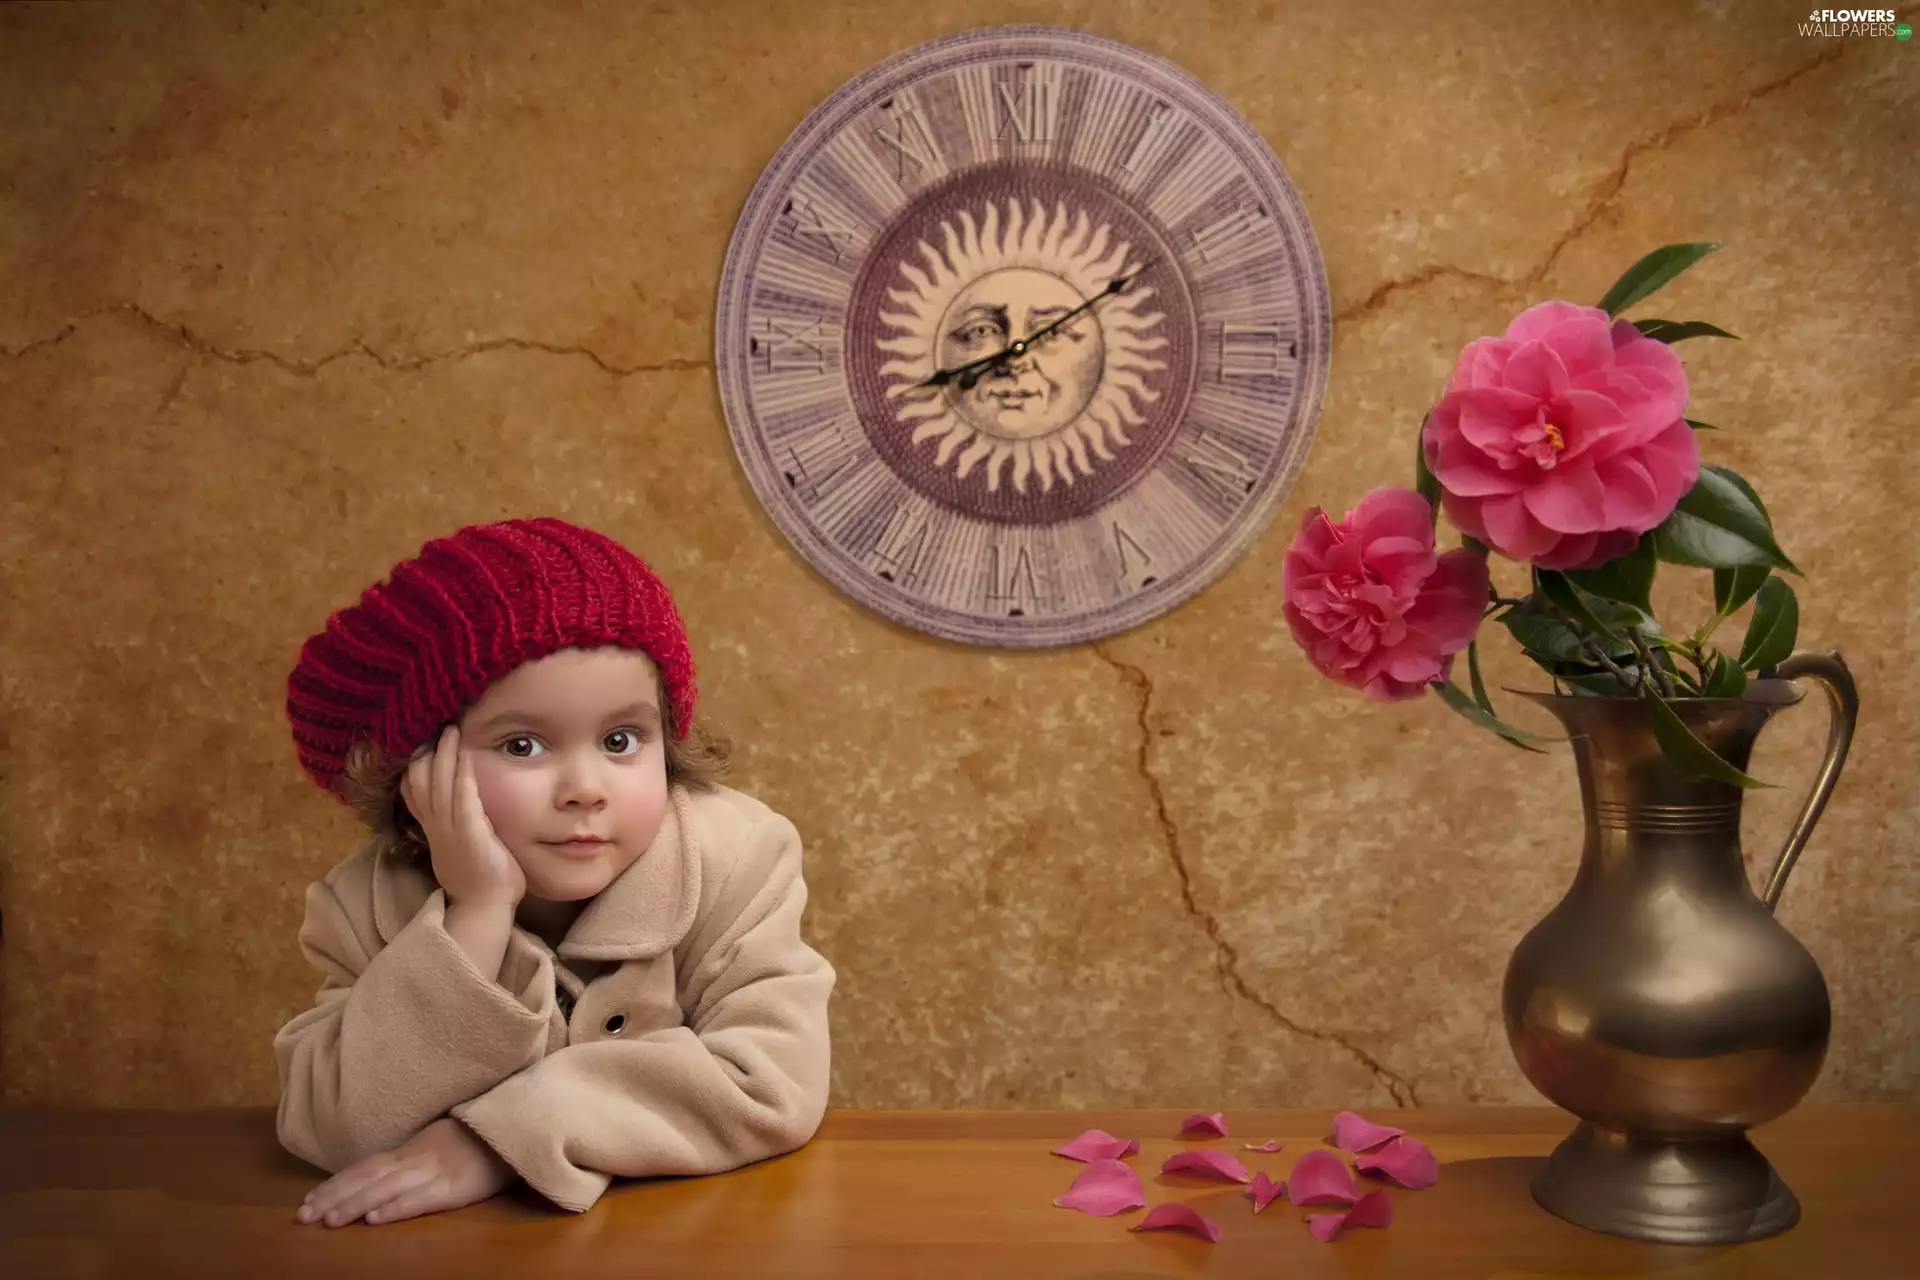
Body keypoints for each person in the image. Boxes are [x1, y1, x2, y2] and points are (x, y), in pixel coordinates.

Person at [273, 516, 834, 1226]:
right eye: (523, 744)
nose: (584, 787)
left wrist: (499, 1142)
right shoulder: (365, 904)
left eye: (621, 739)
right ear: (418, 771)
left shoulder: (737, 858)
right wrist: (474, 914)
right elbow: (342, 1128)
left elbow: (771, 1078)